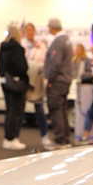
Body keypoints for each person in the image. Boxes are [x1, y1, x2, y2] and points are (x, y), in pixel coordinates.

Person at [43, 18, 73, 149]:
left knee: (56, 110)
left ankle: (60, 140)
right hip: (65, 80)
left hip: (57, 81)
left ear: (52, 27)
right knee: (62, 110)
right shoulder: (66, 40)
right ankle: (65, 139)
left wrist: (49, 79)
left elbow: (55, 62)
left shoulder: (58, 41)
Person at [0, 25, 28, 150]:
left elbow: (0, 67)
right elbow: (22, 67)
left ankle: (8, 138)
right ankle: (12, 138)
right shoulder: (17, 48)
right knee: (15, 111)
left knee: (9, 111)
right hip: (16, 83)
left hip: (6, 82)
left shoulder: (3, 48)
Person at [22, 22, 50, 147]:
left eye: (31, 30)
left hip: (37, 79)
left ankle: (45, 135)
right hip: (24, 78)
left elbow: (45, 61)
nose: (30, 32)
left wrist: (36, 67)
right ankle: (14, 137)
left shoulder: (41, 46)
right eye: (27, 30)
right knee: (20, 108)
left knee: (39, 108)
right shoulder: (22, 45)